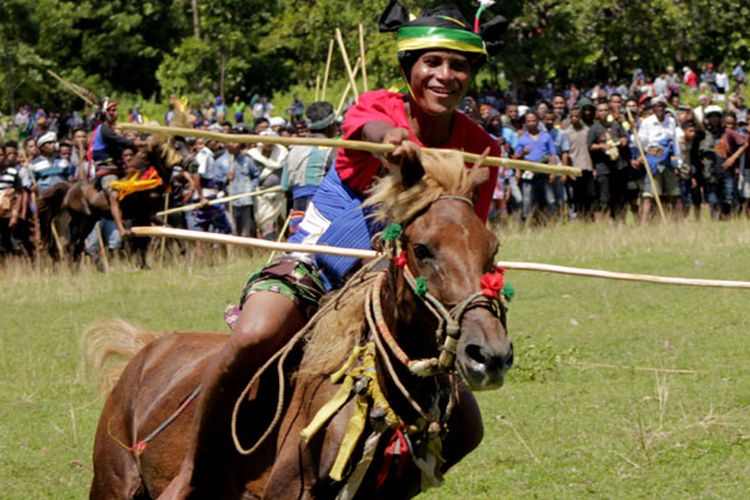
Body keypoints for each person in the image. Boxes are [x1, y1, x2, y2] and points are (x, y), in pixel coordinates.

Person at [161, 1, 508, 495]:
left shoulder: (480, 146)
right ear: (409, 66)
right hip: (327, 251)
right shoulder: (380, 109)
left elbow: (469, 233)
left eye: (458, 65)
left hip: (402, 273)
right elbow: (366, 128)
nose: (445, 75)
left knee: (466, 425)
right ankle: (193, 471)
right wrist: (390, 140)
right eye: (432, 62)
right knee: (256, 334)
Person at [90, 100, 141, 237]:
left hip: (120, 169)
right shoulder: (104, 129)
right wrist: (137, 143)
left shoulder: (111, 129)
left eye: (115, 110)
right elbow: (122, 142)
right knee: (114, 195)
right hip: (108, 171)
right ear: (104, 113)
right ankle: (121, 229)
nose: (114, 113)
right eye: (110, 110)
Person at [281, 101, 338, 212]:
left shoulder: (293, 149)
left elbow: (286, 189)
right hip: (322, 210)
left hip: (298, 209)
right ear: (331, 125)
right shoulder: (332, 149)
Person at [638, 96, 681, 220]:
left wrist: (677, 162)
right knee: (649, 195)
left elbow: (675, 142)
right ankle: (644, 225)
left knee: (675, 194)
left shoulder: (671, 121)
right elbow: (642, 142)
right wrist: (652, 154)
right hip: (653, 159)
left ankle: (679, 222)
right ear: (653, 108)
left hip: (668, 160)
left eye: (662, 105)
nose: (660, 108)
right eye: (657, 106)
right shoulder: (646, 122)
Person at [225, 125, 260, 237]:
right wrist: (226, 179)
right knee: (233, 229)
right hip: (230, 201)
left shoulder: (247, 160)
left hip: (245, 199)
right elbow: (215, 182)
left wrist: (251, 187)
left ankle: (246, 251)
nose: (235, 144)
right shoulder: (222, 162)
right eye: (232, 142)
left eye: (237, 142)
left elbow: (256, 175)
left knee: (246, 230)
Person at [564, 106, 595, 219]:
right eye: (572, 116)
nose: (574, 119)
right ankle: (579, 216)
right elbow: (565, 153)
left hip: (587, 166)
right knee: (577, 195)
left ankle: (588, 216)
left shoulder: (587, 130)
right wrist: (568, 170)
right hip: (575, 168)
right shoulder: (566, 133)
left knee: (590, 194)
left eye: (577, 116)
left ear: (581, 117)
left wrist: (594, 168)